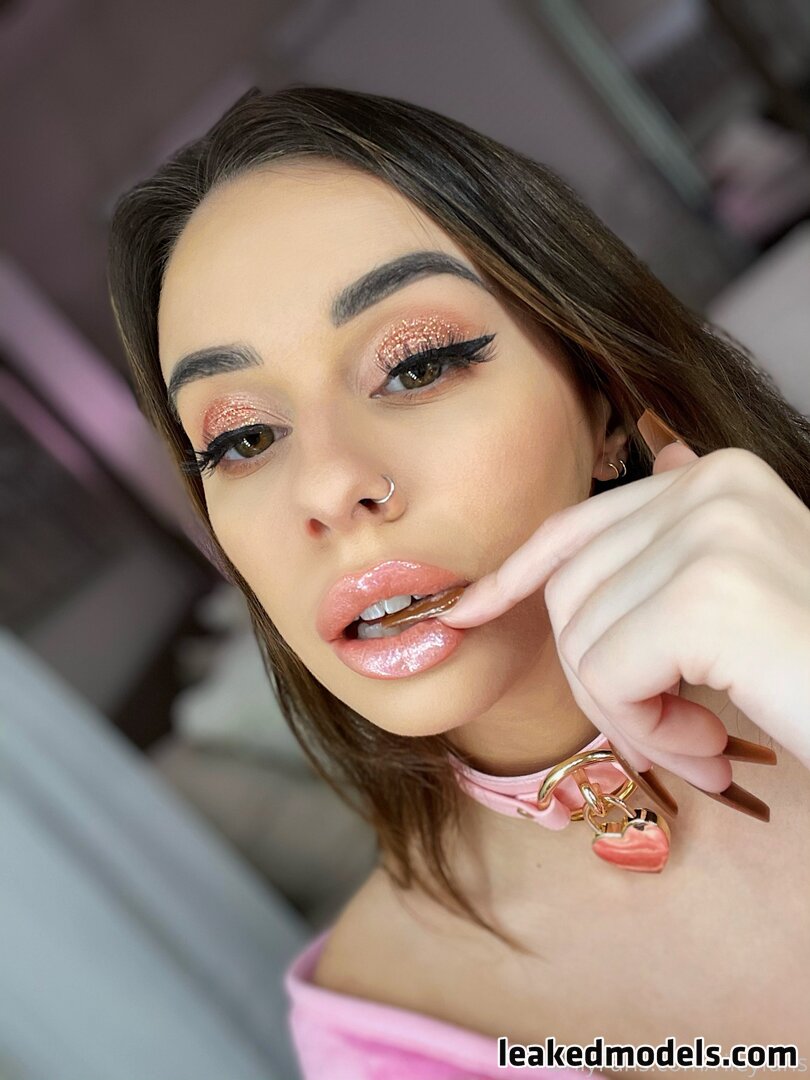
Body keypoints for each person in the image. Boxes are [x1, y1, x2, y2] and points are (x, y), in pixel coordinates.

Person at [107, 84, 810, 1079]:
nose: (329, 485)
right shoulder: (384, 1028)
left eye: (415, 367)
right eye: (245, 439)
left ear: (605, 404)